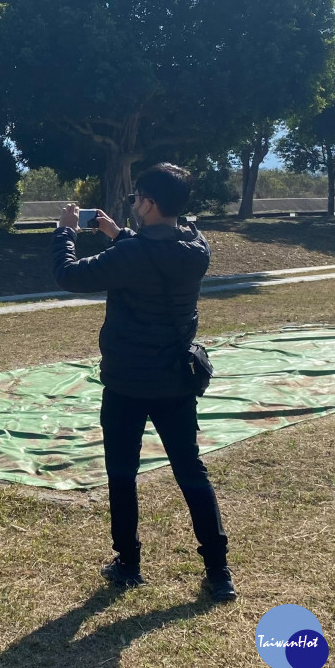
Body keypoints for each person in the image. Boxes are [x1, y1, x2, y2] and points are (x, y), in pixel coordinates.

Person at [51, 163, 235, 601]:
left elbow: (69, 276)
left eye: (136, 199)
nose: (132, 204)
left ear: (149, 204)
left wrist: (64, 233)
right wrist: (119, 233)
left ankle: (128, 562)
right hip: (176, 380)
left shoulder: (130, 257)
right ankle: (218, 569)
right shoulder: (196, 246)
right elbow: (156, 253)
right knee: (190, 471)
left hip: (128, 383)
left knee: (122, 473)